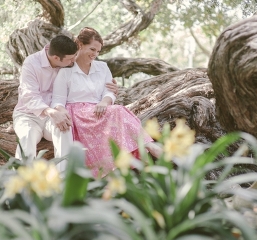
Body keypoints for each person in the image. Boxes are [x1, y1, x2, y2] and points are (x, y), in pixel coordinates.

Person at [51, 27, 162, 178]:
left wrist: (104, 101)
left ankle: (145, 148)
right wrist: (59, 111)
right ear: (80, 44)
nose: (95, 54)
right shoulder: (65, 71)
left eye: (98, 51)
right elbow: (58, 99)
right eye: (92, 49)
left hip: (99, 110)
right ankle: (148, 147)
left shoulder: (102, 67)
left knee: (117, 110)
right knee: (118, 111)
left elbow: (109, 91)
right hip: (79, 116)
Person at [12, 35, 119, 172]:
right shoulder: (32, 63)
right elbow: (29, 96)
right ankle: (22, 183)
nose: (74, 61)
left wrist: (112, 91)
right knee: (27, 137)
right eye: (70, 59)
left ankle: (64, 180)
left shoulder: (67, 58)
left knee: (65, 130)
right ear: (56, 58)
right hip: (28, 115)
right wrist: (52, 112)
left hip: (55, 114)